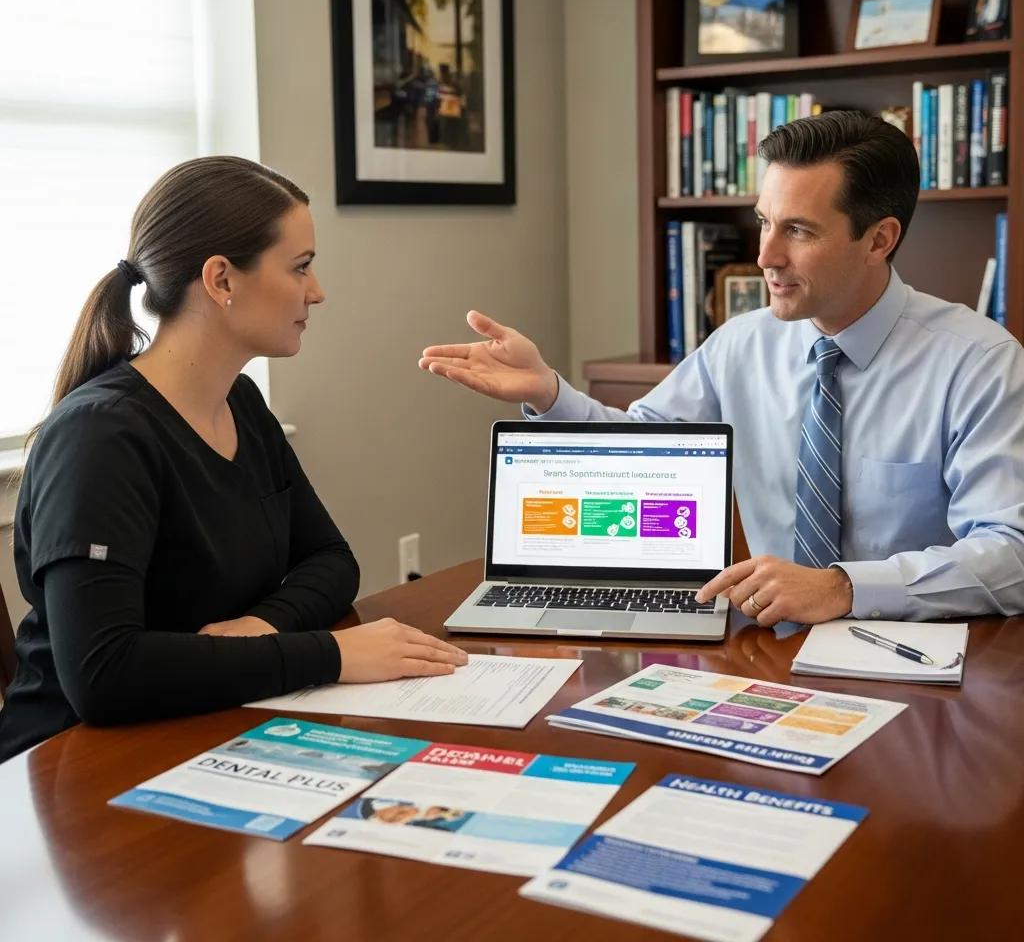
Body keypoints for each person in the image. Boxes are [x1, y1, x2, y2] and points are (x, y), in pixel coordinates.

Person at [419, 112, 1024, 627]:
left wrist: (846, 587)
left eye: (798, 230)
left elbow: (1011, 552)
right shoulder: (739, 344)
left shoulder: (978, 363)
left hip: (917, 661)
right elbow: (646, 450)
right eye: (765, 221)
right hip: (765, 650)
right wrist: (549, 393)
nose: (765, 255)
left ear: (879, 239)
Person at [0, 156, 466, 763]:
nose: (317, 292)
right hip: (69, 766)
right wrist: (332, 654)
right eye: (300, 268)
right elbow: (103, 675)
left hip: (201, 729)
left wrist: (262, 628)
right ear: (221, 280)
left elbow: (330, 560)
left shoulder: (239, 401)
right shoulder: (100, 436)